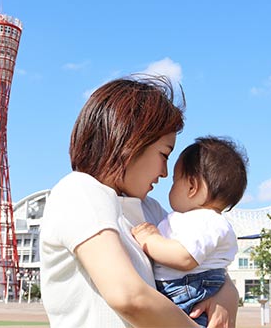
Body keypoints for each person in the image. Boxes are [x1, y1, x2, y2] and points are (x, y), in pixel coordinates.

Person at [40, 76, 239, 328]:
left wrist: (227, 294)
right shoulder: (80, 190)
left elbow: (204, 264)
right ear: (130, 141)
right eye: (164, 154)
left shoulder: (151, 210)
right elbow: (128, 296)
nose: (165, 172)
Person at [131, 136, 247, 326]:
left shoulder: (206, 221)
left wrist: (150, 240)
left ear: (192, 187)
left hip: (187, 292)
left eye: (175, 181)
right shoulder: (197, 220)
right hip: (187, 290)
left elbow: (184, 257)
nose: (166, 178)